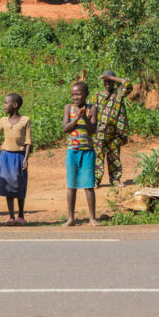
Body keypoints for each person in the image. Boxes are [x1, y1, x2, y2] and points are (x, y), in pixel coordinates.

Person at [0, 93, 32, 225]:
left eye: (6, 103)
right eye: (4, 103)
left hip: (19, 156)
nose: (4, 105)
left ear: (15, 105)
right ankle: (11, 216)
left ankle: (21, 215)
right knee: (7, 186)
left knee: (19, 185)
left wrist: (26, 159)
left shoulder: (25, 120)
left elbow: (28, 142)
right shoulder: (3, 121)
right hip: (6, 156)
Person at [63, 81, 98, 226]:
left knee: (89, 185)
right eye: (73, 94)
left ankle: (92, 218)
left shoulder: (93, 108)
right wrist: (77, 118)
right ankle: (70, 218)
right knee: (71, 185)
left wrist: (84, 117)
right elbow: (65, 128)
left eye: (78, 94)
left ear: (86, 94)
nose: (75, 97)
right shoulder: (68, 108)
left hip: (87, 152)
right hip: (72, 151)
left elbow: (92, 130)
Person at [90, 70, 132, 187]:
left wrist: (111, 77)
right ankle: (95, 181)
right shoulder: (97, 96)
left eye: (110, 81)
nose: (107, 83)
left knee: (114, 156)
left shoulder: (118, 94)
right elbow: (90, 112)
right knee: (98, 156)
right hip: (99, 133)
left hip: (114, 133)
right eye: (105, 81)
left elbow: (128, 84)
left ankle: (115, 180)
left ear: (114, 81)